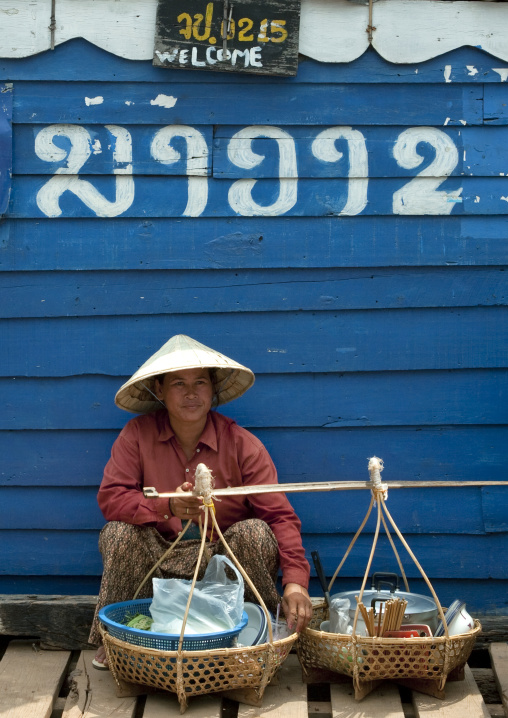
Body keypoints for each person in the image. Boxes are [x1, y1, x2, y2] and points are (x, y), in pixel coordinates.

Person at [90, 334, 312, 669]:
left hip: (219, 562)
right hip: (158, 557)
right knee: (118, 534)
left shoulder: (241, 443)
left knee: (255, 532)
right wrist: (167, 507)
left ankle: (249, 639)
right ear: (159, 390)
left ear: (213, 390)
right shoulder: (136, 435)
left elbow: (279, 516)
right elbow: (112, 498)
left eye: (200, 382)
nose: (191, 393)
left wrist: (296, 583)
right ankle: (123, 640)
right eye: (178, 383)